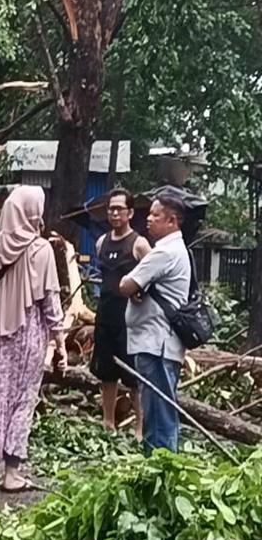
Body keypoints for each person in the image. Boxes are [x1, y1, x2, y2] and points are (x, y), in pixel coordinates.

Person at [0, 186, 67, 492]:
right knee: (22, 401)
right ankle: (11, 474)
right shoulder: (42, 251)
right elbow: (51, 304)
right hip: (26, 334)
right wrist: (60, 343)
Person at [120, 196, 191, 455]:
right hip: (159, 342)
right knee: (160, 410)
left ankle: (159, 472)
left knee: (158, 415)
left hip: (156, 344)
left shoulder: (164, 251)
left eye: (155, 215)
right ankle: (162, 468)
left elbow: (126, 285)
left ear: (172, 220)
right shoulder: (176, 250)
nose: (148, 219)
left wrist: (132, 286)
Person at [91, 189, 150, 439]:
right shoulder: (101, 242)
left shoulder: (139, 244)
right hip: (105, 316)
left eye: (119, 209)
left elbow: (152, 276)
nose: (115, 213)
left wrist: (142, 294)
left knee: (134, 377)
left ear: (130, 213)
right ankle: (108, 423)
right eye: (111, 209)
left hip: (131, 320)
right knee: (106, 373)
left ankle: (139, 427)